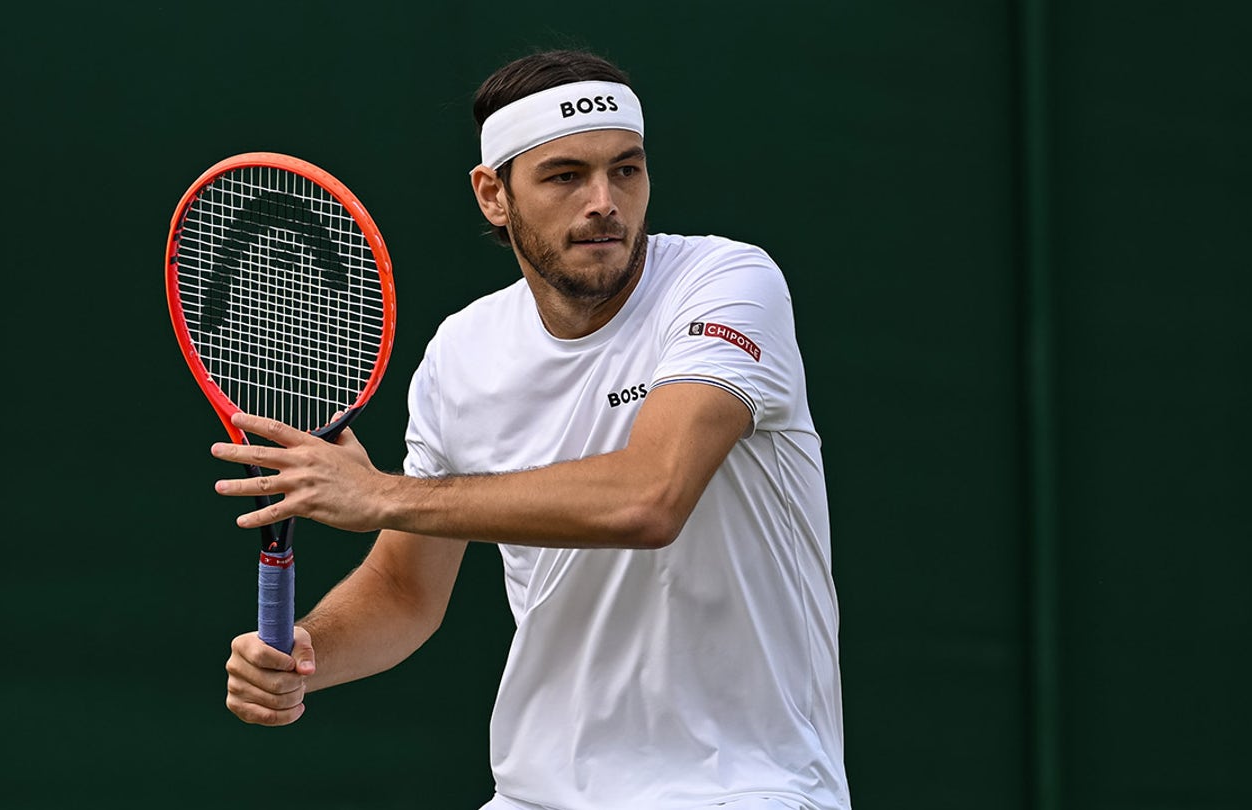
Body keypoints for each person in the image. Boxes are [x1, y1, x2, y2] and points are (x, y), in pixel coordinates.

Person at [213, 49, 850, 810]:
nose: (605, 202)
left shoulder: (729, 285)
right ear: (493, 194)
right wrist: (308, 653)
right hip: (536, 795)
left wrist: (383, 494)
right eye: (565, 176)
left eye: (627, 170)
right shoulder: (463, 352)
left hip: (744, 788)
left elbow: (650, 498)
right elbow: (404, 589)